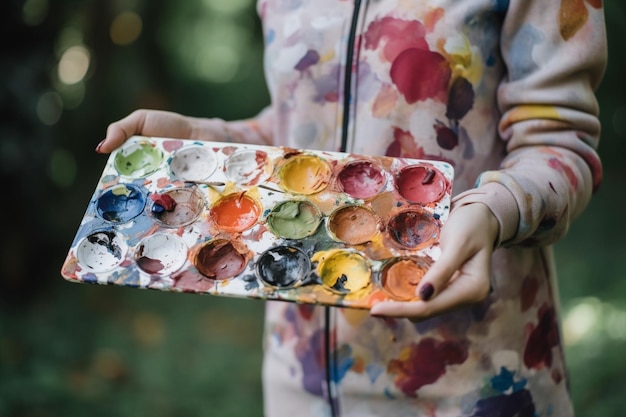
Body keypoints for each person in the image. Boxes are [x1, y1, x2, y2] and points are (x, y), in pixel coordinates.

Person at [96, 1, 607, 416]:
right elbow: (299, 135)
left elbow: (560, 144)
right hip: (301, 383)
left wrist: (494, 210)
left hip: (476, 378)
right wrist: (208, 141)